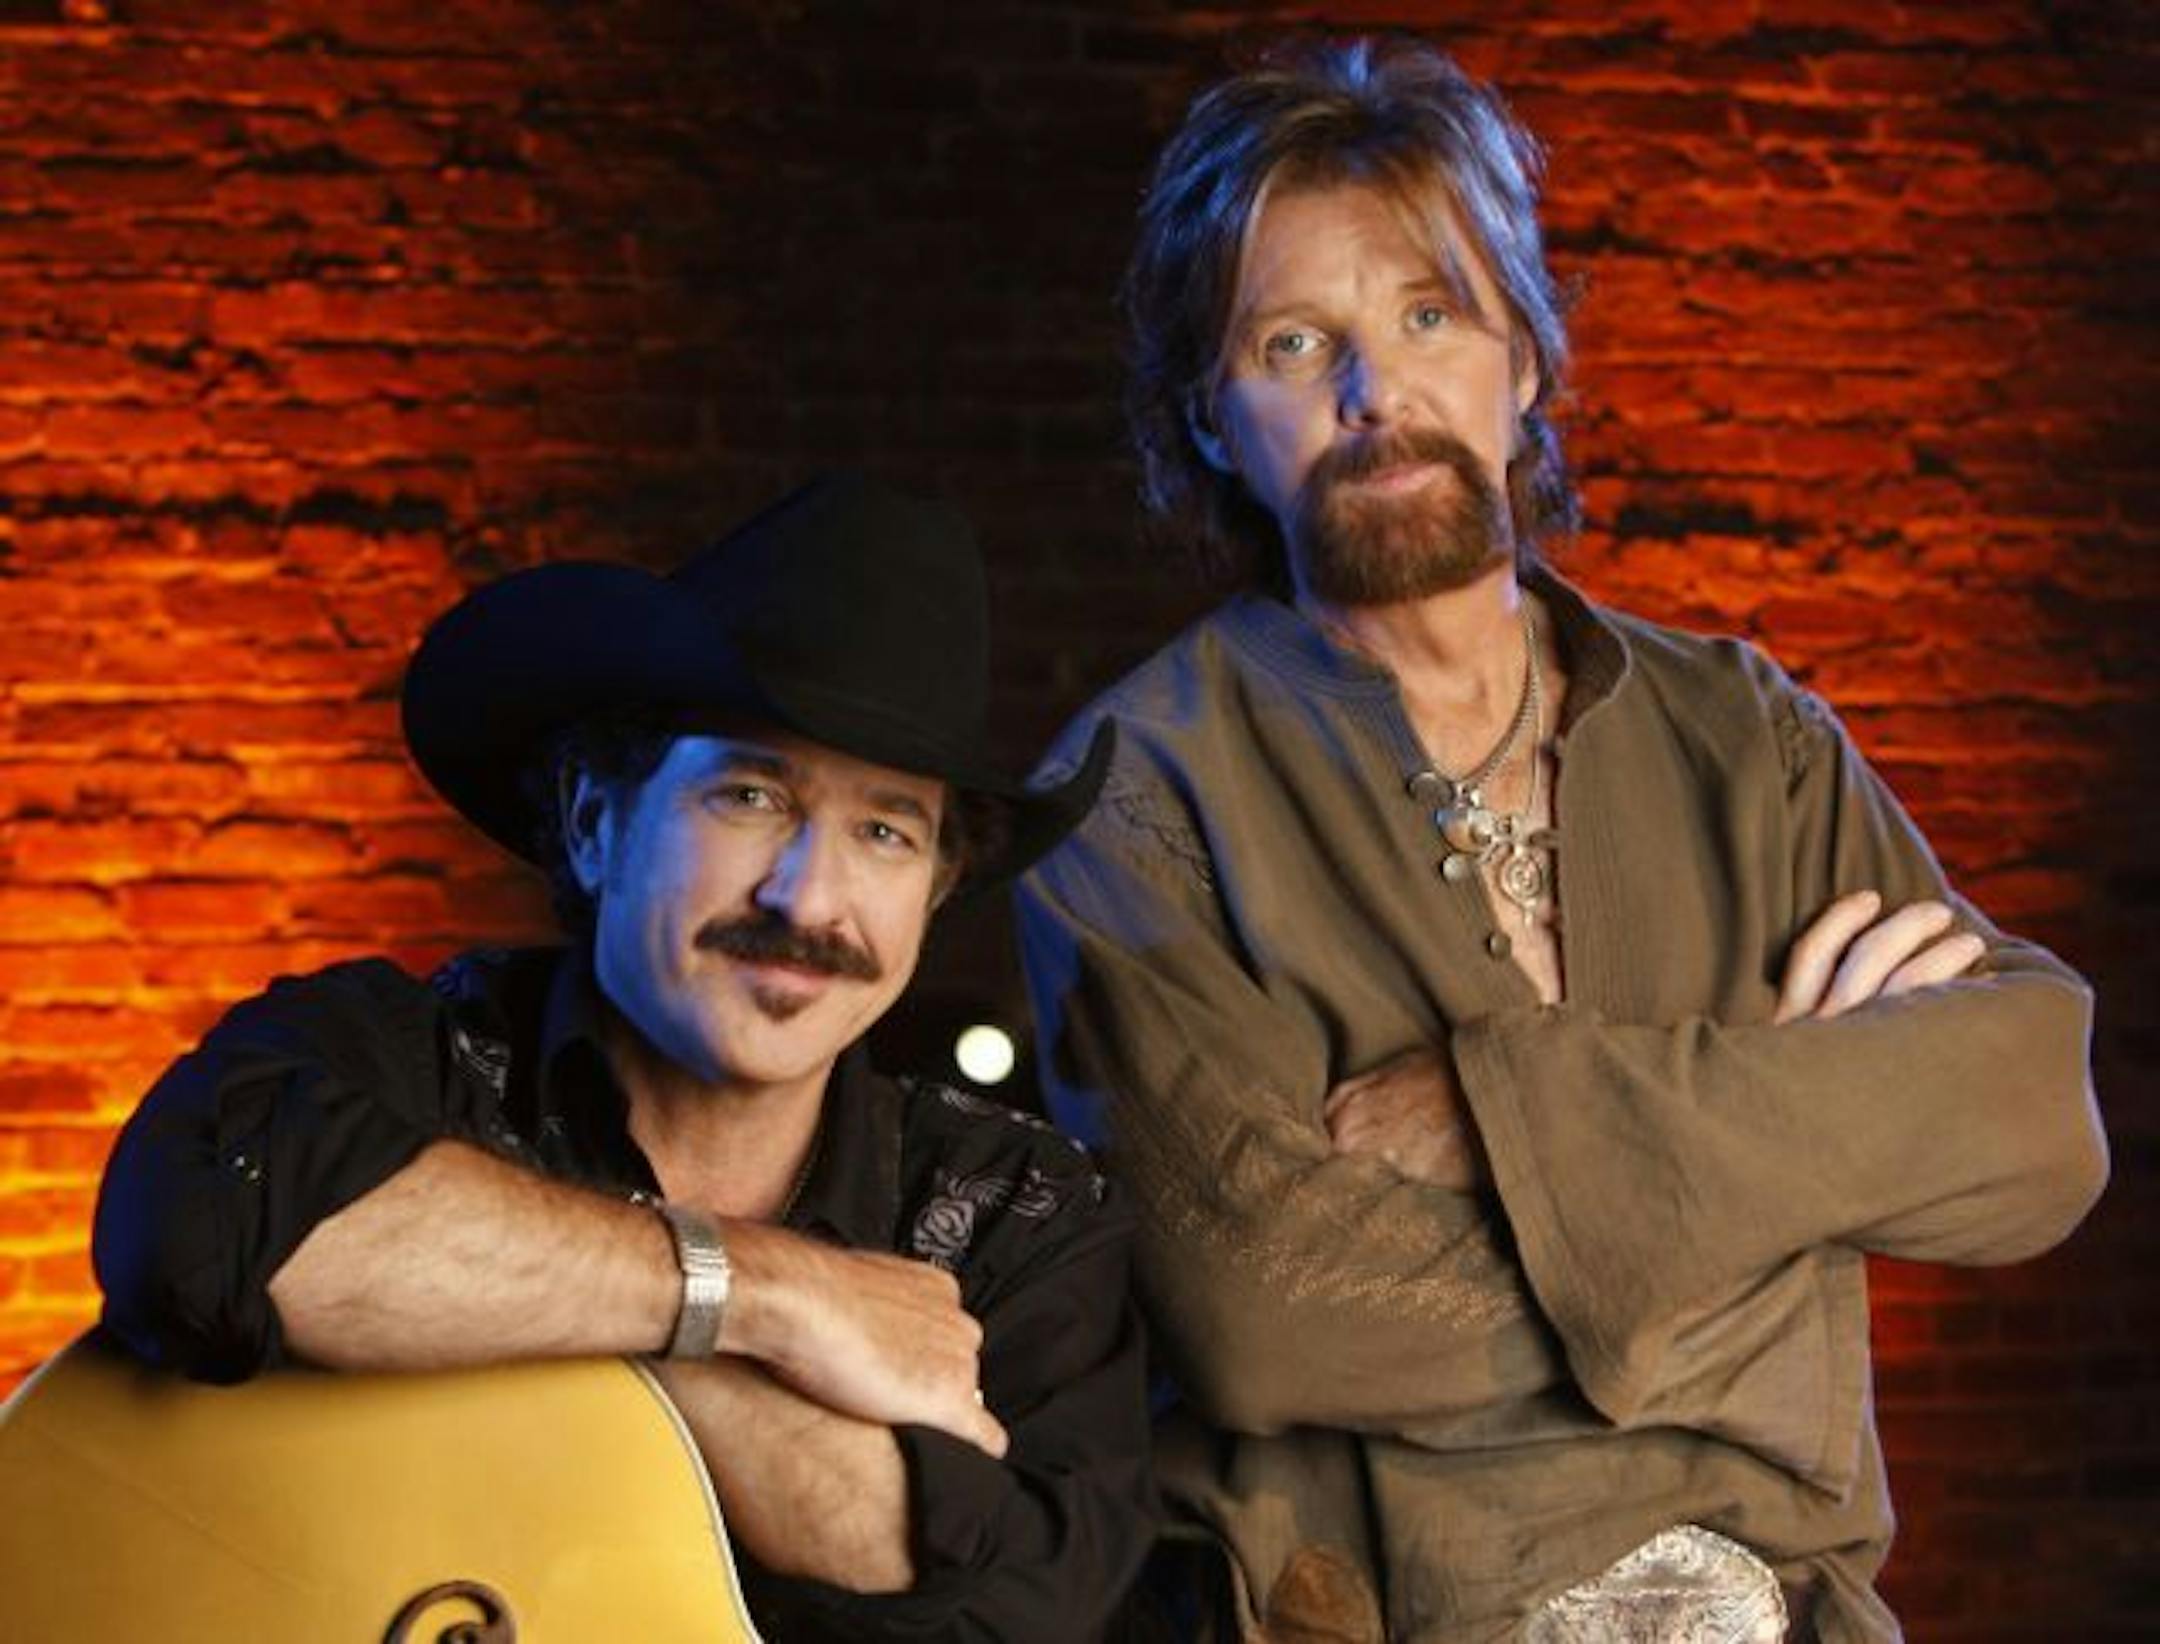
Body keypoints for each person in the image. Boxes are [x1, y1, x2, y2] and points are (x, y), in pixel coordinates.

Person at [1016, 35, 2107, 1643]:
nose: (1375, 395)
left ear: (1523, 359)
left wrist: (1510, 1104)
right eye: (1295, 343)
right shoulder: (1132, 794)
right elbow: (1263, 1319)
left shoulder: (1748, 737)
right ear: (1214, 420)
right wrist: (1782, 1235)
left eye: (1431, 315)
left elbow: (2033, 1122)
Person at [93, 473, 1152, 1642]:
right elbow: (201, 1234)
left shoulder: (1020, 1217)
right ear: (596, 824)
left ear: (935, 891)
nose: (811, 899)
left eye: (885, 831)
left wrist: (522, 1311)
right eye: (749, 795)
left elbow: (1020, 1607)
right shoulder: (394, 1052)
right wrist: (777, 1299)